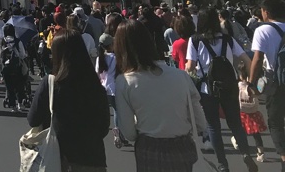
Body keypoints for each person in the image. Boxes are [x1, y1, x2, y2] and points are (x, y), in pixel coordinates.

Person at [115, 19, 204, 172]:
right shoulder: (180, 75)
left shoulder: (124, 82)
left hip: (150, 148)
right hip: (183, 146)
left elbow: (129, 133)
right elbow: (200, 121)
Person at [186, 9, 258, 172]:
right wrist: (249, 81)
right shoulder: (228, 39)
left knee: (213, 126)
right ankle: (246, 153)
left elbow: (190, 66)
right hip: (230, 86)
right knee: (236, 124)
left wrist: (190, 70)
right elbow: (247, 59)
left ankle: (222, 164)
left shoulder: (195, 40)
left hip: (208, 88)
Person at [27, 31, 109, 171]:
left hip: (59, 157)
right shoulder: (95, 86)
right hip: (92, 157)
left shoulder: (51, 83)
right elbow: (103, 127)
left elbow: (33, 119)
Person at [248, 0, 285, 169]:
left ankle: (284, 157)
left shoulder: (262, 30)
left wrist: (251, 82)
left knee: (276, 122)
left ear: (266, 12)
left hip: (276, 83)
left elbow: (257, 58)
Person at [237, 60, 268, 162]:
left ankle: (238, 143)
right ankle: (261, 153)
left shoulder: (239, 86)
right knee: (256, 134)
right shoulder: (252, 86)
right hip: (254, 112)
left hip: (242, 112)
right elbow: (259, 93)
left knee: (240, 130)